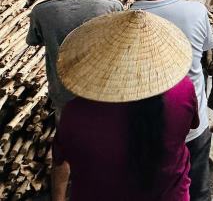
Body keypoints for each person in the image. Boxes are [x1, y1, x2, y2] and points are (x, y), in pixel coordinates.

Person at [53, 10, 197, 201]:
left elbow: (62, 159)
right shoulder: (183, 89)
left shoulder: (76, 113)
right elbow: (192, 126)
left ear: (99, 61)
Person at [26, 0, 123, 198]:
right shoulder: (112, 7)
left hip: (64, 95)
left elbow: (35, 40)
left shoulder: (43, 11)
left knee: (64, 153)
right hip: (104, 95)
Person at [129, 0, 213, 201]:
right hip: (192, 126)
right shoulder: (195, 11)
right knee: (198, 191)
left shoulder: (123, 22)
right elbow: (207, 49)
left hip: (144, 128)